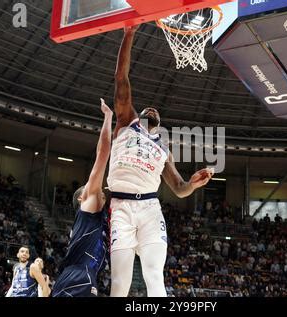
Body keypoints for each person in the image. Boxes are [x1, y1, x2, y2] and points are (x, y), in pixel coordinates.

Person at [108, 25, 214, 297]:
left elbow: (179, 188)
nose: (152, 109)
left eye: (156, 111)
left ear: (159, 124)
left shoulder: (164, 149)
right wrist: (129, 35)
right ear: (139, 114)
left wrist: (193, 184)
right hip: (120, 205)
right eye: (147, 108)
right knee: (120, 283)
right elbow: (121, 78)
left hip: (150, 208)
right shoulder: (126, 123)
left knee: (154, 276)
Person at [51, 99, 112, 297]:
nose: (97, 188)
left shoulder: (96, 217)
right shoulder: (89, 203)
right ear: (81, 199)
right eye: (91, 188)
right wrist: (108, 118)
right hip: (79, 275)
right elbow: (102, 154)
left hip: (83, 276)